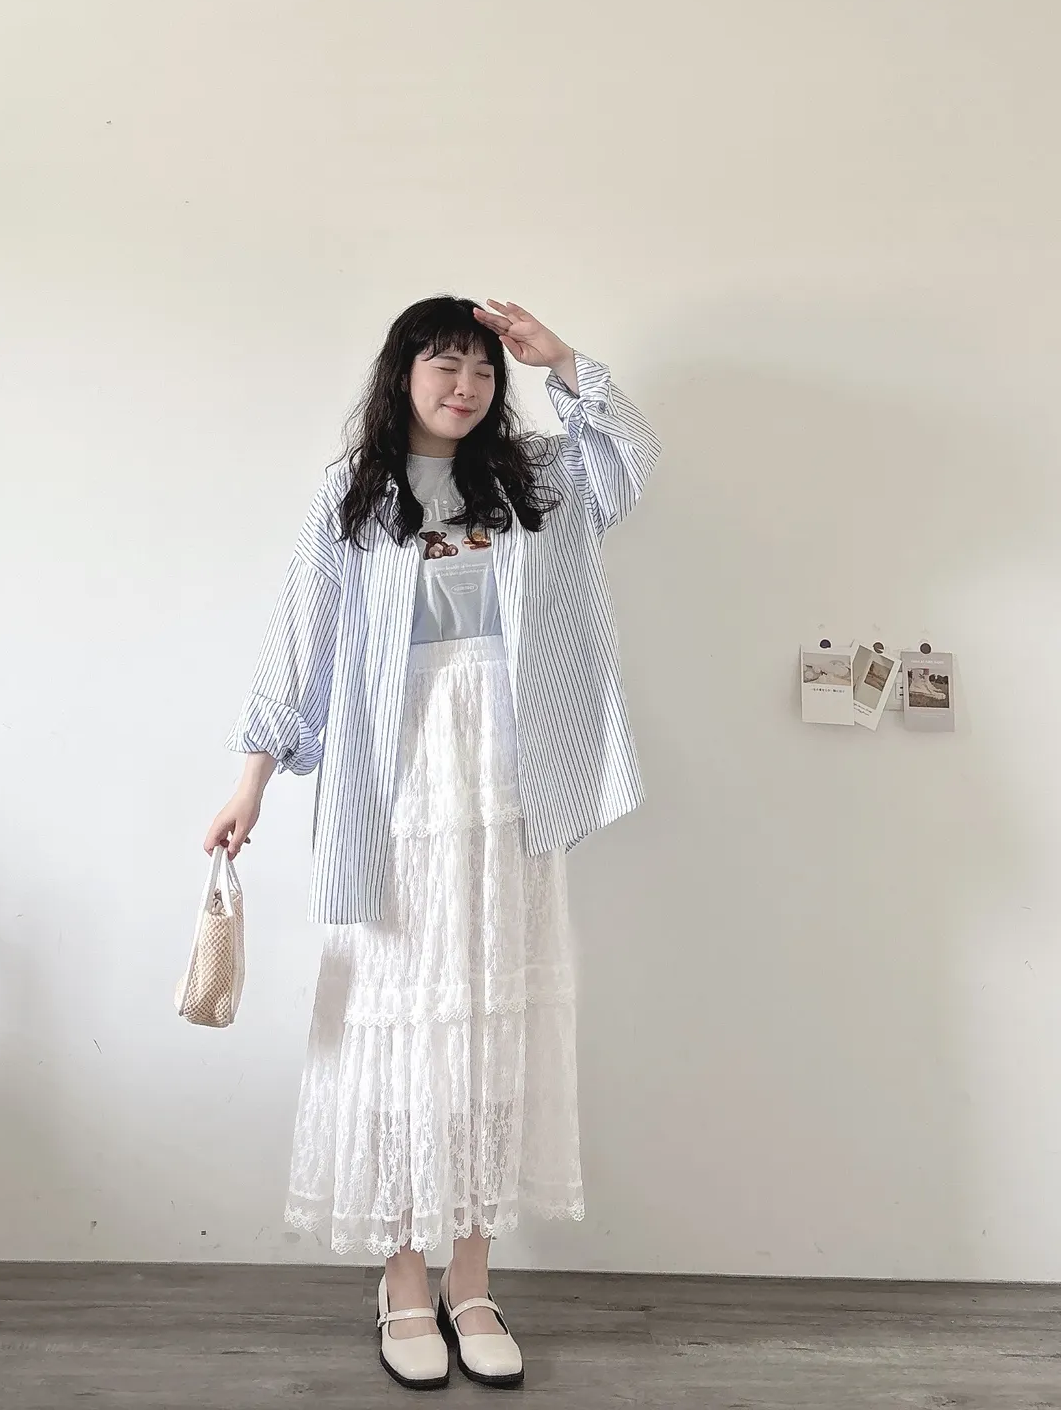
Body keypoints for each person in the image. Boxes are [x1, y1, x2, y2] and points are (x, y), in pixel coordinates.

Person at [204, 296, 660, 1391]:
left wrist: (561, 360)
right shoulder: (355, 496)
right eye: (445, 364)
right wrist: (250, 782)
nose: (466, 385)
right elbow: (300, 638)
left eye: (483, 370)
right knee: (400, 1020)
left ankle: (472, 1277)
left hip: (509, 781)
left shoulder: (535, 481)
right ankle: (403, 1276)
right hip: (396, 783)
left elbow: (630, 464)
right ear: (402, 374)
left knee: (493, 1021)